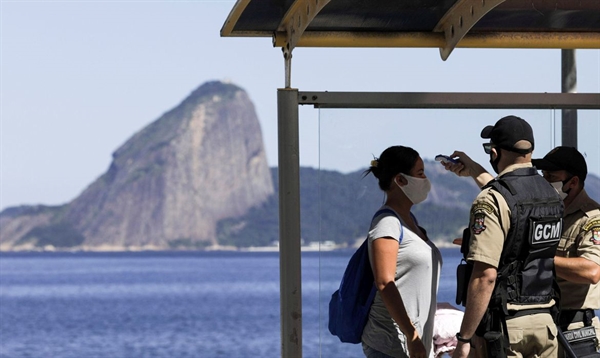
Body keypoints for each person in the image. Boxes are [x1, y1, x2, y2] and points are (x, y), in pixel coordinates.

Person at [445, 116, 564, 358]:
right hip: (546, 322)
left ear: (495, 153)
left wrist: (464, 339)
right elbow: (512, 196)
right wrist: (473, 170)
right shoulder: (551, 194)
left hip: (507, 327)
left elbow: (485, 277)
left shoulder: (491, 200)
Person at [361, 145, 443, 358]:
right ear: (401, 180)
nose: (425, 179)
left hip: (411, 342)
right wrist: (411, 335)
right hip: (392, 343)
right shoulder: (387, 223)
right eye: (420, 173)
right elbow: (384, 283)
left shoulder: (410, 222)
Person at [532, 146, 600, 355]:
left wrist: (537, 257)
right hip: (543, 327)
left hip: (577, 331)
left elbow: (592, 271)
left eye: (551, 176)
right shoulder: (545, 213)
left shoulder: (592, 218)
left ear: (573, 182)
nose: (545, 181)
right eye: (543, 175)